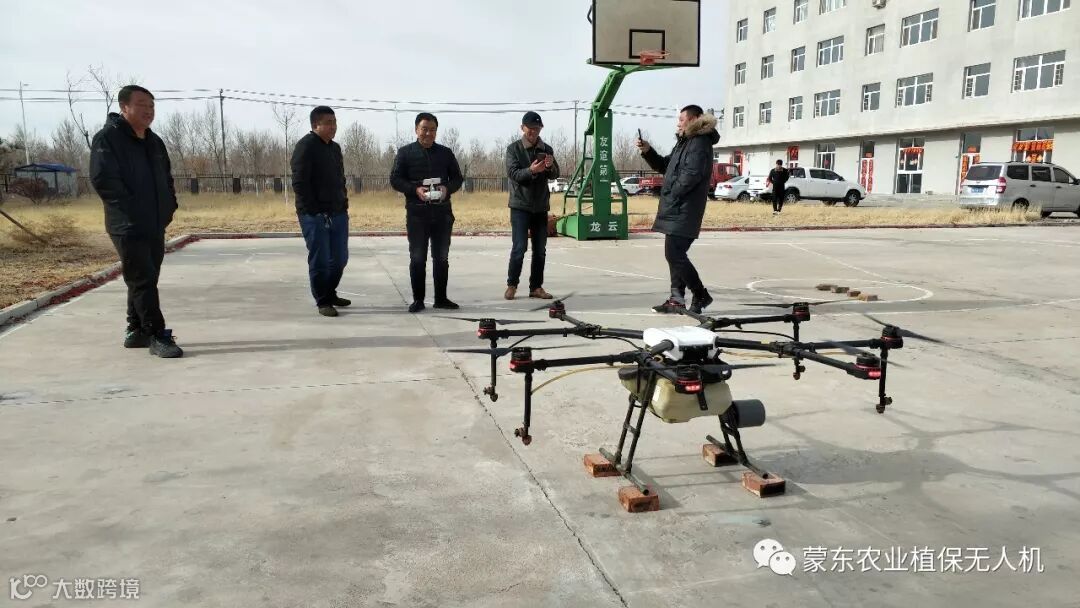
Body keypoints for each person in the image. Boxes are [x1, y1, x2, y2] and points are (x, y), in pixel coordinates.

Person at [90, 84, 183, 358]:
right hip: (127, 225)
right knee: (143, 279)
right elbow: (104, 181)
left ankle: (136, 330)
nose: (148, 110)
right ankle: (157, 334)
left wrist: (169, 207)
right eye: (142, 105)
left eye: (152, 106)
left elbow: (166, 178)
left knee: (145, 277)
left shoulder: (154, 142)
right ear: (124, 107)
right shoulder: (108, 139)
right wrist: (132, 212)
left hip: (155, 223)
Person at [636, 104, 720, 315]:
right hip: (676, 206)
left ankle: (700, 294)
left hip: (685, 208)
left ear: (694, 119)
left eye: (681, 119)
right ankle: (676, 299)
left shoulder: (699, 142)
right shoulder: (685, 142)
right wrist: (648, 151)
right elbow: (665, 165)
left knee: (674, 254)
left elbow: (692, 174)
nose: (678, 123)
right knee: (675, 254)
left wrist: (672, 193)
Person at [390, 112, 464, 313]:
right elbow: (395, 179)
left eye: (432, 130)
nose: (428, 133)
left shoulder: (445, 153)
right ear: (416, 130)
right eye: (424, 129)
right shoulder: (405, 153)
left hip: (442, 213)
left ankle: (441, 298)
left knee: (441, 258)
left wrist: (446, 189)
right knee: (417, 258)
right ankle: (418, 300)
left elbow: (457, 178)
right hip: (417, 215)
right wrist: (415, 189)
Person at [291, 106, 350, 317]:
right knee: (321, 259)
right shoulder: (305, 147)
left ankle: (330, 292)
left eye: (335, 122)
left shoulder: (335, 148)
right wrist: (313, 211)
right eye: (329, 123)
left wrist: (343, 202)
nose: (333, 127)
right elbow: (299, 183)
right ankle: (323, 300)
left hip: (338, 212)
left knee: (340, 258)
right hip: (314, 215)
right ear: (316, 124)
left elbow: (340, 179)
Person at [504, 111, 560, 300]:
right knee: (519, 247)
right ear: (523, 128)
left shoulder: (547, 148)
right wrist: (531, 170)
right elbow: (514, 174)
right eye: (531, 129)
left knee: (540, 250)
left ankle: (536, 287)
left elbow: (555, 174)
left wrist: (550, 166)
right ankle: (512, 284)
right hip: (520, 205)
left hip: (540, 206)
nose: (534, 132)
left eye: (537, 128)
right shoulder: (513, 149)